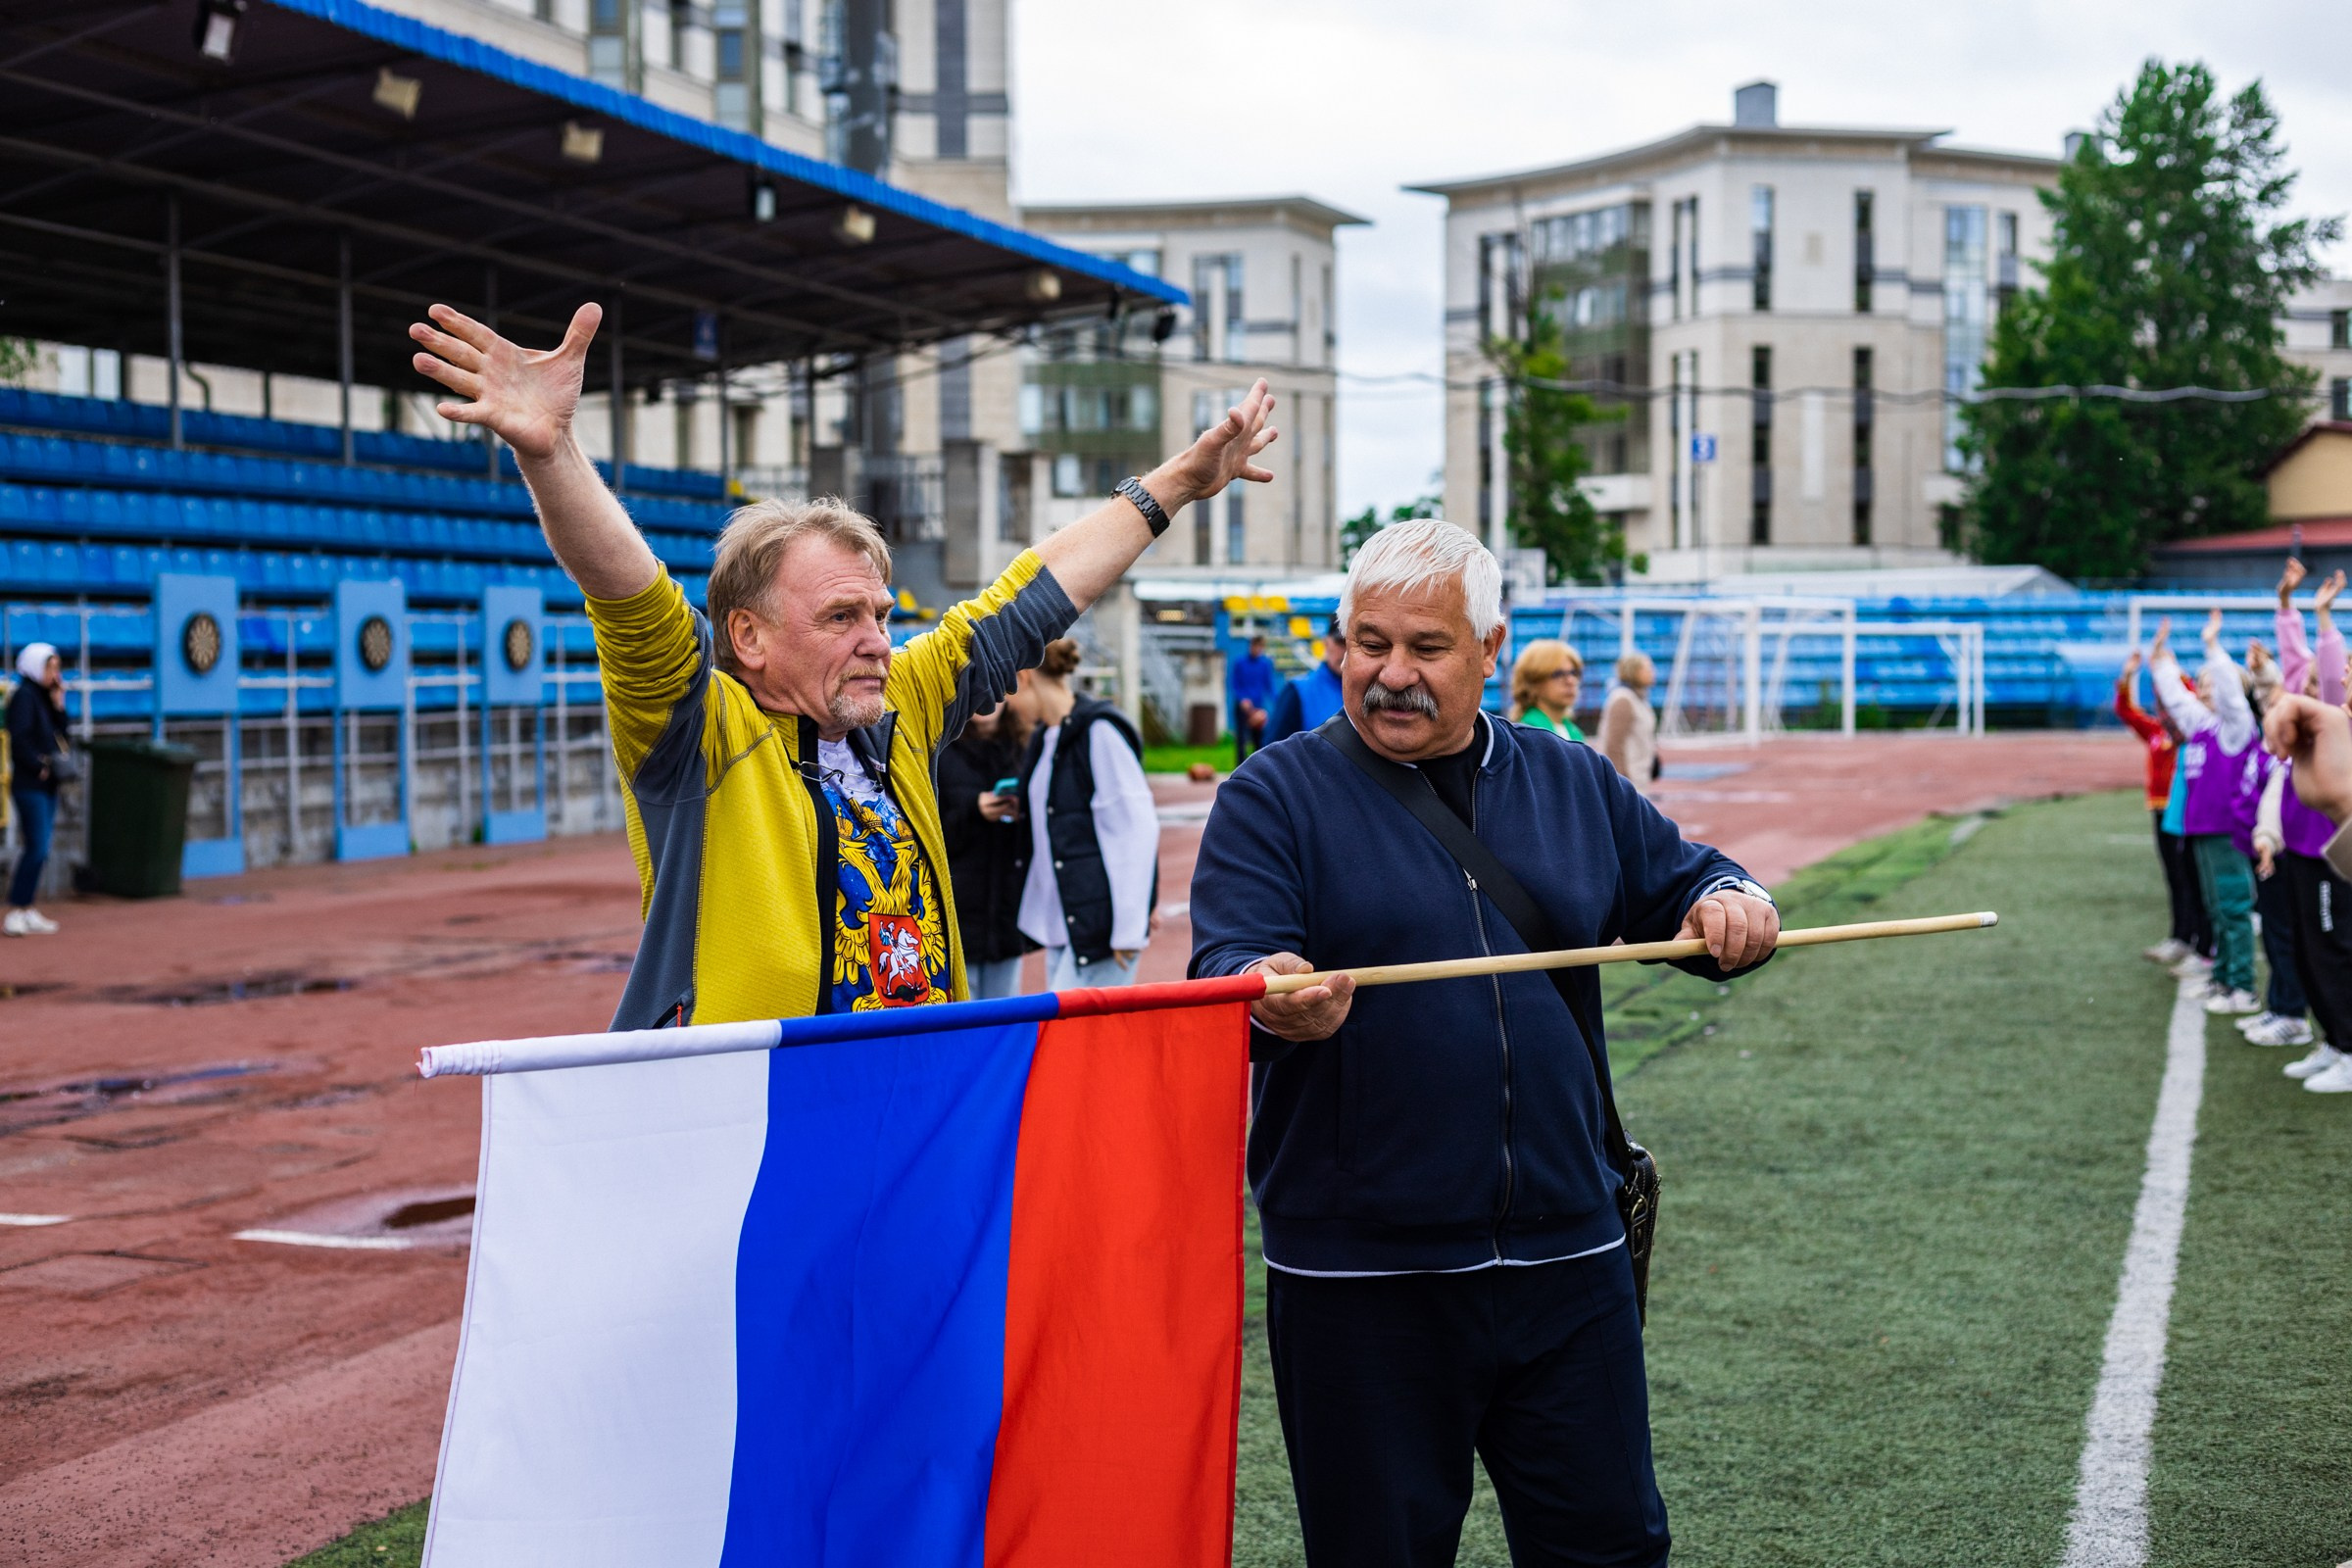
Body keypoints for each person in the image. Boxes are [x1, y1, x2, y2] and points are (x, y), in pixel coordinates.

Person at [409, 301, 1275, 1025]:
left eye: (881, 614)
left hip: (916, 1100)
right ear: (746, 636)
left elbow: (1027, 599)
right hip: (761, 1126)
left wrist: (1177, 485)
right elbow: (631, 598)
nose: (876, 639)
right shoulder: (699, 730)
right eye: (839, 616)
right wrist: (551, 451)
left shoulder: (898, 703)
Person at [1188, 518, 1779, 1568]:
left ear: (1492, 648)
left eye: (1427, 648)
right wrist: (1266, 994)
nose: (1391, 675)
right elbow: (1232, 966)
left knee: (1612, 1547)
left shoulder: (1571, 779)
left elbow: (1685, 883)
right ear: (1337, 642)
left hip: (1570, 1254)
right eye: (1368, 643)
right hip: (1362, 1280)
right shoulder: (1270, 796)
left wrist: (1732, 900)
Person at [1011, 639, 1159, 989]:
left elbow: (1135, 829)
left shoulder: (1099, 732)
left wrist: (1128, 929)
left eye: (1007, 688)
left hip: (1101, 931)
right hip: (1069, 923)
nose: (1005, 702)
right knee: (1066, 1035)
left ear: (1025, 676)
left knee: (1079, 1038)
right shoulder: (1047, 738)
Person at [2150, 612, 2261, 1015]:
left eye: (2213, 684)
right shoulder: (2202, 727)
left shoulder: (2236, 729)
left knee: (2233, 908)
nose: (2206, 691)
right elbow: (2178, 699)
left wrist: (2214, 647)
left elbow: (2232, 696)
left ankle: (2243, 986)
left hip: (2225, 832)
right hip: (2202, 831)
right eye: (2204, 684)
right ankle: (2224, 979)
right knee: (2216, 907)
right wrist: (2162, 661)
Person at [935, 701, 1034, 999]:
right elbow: (929, 829)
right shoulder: (940, 750)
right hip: (959, 901)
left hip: (1006, 901)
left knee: (1005, 1012)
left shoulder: (1025, 747)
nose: (988, 701)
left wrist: (1021, 811)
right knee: (962, 1012)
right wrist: (974, 810)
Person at [2116, 651, 2206, 968]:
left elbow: (2188, 698)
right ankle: (2180, 936)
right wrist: (2128, 676)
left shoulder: (2192, 731)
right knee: (2173, 876)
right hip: (2160, 812)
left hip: (2183, 812)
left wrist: (2170, 670)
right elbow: (2126, 711)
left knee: (2188, 877)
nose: (2162, 705)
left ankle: (2194, 939)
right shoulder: (2156, 731)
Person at [5, 642, 68, 936]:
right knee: (37, 846)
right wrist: (38, 766)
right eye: (49, 667)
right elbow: (18, 740)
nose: (54, 674)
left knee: (41, 847)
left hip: (47, 785)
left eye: (56, 667)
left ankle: (27, 908)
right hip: (30, 785)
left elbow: (62, 737)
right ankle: (16, 910)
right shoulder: (24, 697)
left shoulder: (44, 698)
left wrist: (59, 706)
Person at [1265, 616, 1346, 744]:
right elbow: (1271, 756)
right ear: (1326, 642)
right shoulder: (1297, 692)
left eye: (1353, 643)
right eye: (1341, 642)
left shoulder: (1371, 692)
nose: (1346, 651)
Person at [1596, 651, 1658, 792]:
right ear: (1634, 671)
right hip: (1629, 781)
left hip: (1639, 777)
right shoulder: (1623, 700)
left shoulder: (1639, 699)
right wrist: (1619, 783)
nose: (1652, 672)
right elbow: (1613, 745)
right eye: (1647, 668)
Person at [1509, 637, 1588, 741]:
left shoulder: (1574, 732)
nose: (1570, 681)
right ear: (1533, 683)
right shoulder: (1527, 733)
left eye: (1573, 673)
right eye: (1558, 674)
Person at [1230, 633, 1278, 764]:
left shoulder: (1265, 664)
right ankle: (1239, 768)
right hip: (1242, 706)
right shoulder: (1240, 662)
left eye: (1260, 647)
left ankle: (1256, 768)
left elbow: (1269, 686)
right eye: (1255, 646)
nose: (1257, 649)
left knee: (1258, 739)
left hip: (1257, 707)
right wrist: (1242, 699)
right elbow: (1235, 684)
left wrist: (1278, 702)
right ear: (1251, 646)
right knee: (1241, 739)